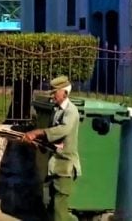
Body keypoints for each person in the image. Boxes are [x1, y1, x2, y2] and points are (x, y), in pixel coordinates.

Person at [22, 75, 81, 221]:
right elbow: (54, 140)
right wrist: (38, 143)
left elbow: (62, 131)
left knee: (58, 210)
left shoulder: (71, 112)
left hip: (65, 168)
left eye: (55, 92)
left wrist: (37, 132)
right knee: (50, 207)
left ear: (65, 93)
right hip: (54, 166)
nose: (52, 96)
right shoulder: (57, 110)